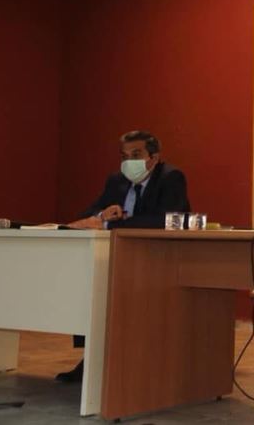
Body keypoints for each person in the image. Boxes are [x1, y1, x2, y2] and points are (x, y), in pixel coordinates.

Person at [56, 130, 190, 382]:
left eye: (136, 155)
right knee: (89, 288)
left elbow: (165, 220)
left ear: (153, 158)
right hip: (113, 256)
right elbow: (88, 214)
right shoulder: (116, 180)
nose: (129, 162)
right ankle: (93, 357)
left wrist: (110, 225)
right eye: (124, 156)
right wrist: (102, 215)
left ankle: (130, 361)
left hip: (155, 258)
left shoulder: (171, 177)